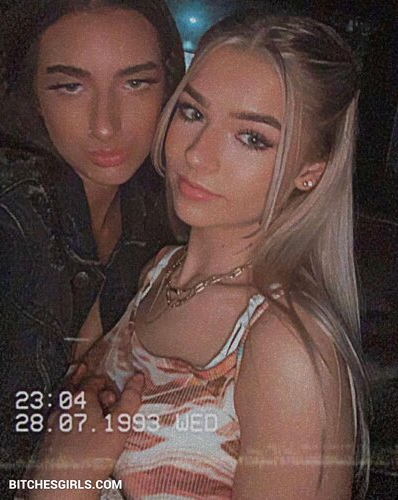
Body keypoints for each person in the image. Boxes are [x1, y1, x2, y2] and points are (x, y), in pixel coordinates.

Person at [31, 13, 370, 499]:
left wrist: (60, 483)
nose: (196, 155)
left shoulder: (287, 350)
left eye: (251, 138)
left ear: (311, 170)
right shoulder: (154, 272)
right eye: (192, 113)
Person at [0, 0, 184, 496]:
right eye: (70, 86)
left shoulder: (158, 223)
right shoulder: (13, 221)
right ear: (33, 97)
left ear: (169, 88)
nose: (105, 125)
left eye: (136, 83)